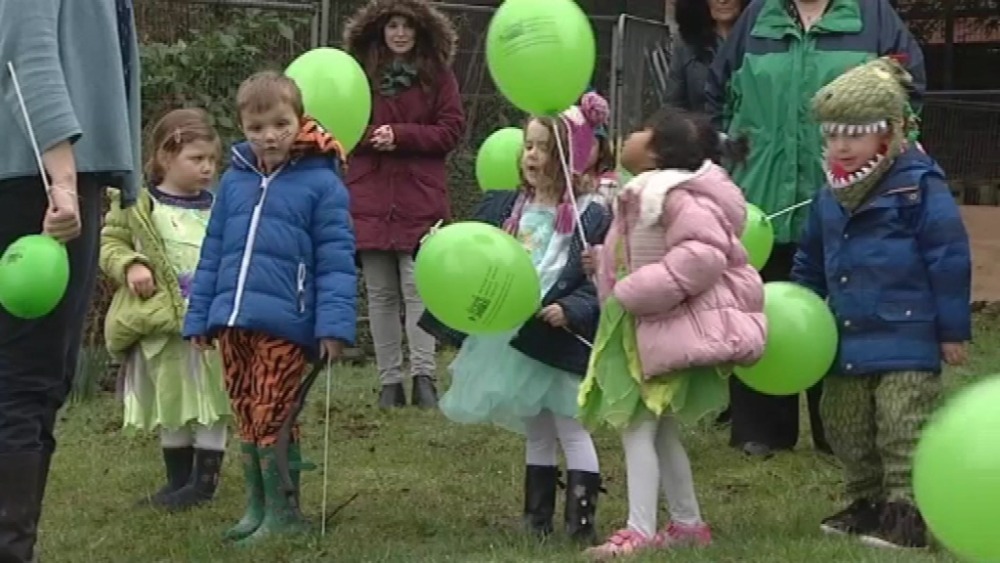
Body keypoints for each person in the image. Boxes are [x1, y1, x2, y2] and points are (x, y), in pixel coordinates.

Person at [705, 0, 926, 458]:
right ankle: (760, 429)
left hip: (847, 202)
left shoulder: (875, 19)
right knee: (759, 309)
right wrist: (735, 162)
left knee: (844, 316)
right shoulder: (756, 20)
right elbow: (717, 98)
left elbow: (908, 100)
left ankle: (839, 430)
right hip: (761, 200)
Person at [792, 56, 970, 550]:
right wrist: (803, 310)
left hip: (907, 335)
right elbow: (810, 258)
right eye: (833, 135)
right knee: (845, 424)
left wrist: (952, 331)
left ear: (889, 133)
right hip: (845, 336)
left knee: (901, 424)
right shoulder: (828, 195)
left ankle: (907, 513)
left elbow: (948, 256)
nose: (843, 146)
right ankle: (866, 501)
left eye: (856, 134)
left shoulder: (918, 186)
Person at [420, 94, 613, 545]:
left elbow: (598, 281)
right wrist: (437, 246)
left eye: (544, 148)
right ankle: (536, 518)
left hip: (558, 335)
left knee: (571, 426)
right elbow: (475, 253)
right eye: (528, 145)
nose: (532, 155)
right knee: (537, 427)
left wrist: (571, 309)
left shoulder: (590, 214)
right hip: (518, 335)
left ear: (566, 157)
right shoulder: (507, 207)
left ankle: (581, 522)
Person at [578, 107, 766, 559]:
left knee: (637, 427)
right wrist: (603, 263)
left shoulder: (675, 196)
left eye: (642, 129)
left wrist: (635, 291)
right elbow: (638, 254)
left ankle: (639, 531)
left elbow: (701, 257)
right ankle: (687, 524)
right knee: (659, 431)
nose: (630, 134)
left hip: (658, 326)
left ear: (658, 151)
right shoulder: (647, 190)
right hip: (643, 326)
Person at [182, 71, 357, 543]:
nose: (269, 136)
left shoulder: (322, 185)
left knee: (273, 413)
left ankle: (284, 513)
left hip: (286, 322)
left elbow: (337, 261)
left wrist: (333, 326)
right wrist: (200, 317)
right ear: (242, 128)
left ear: (299, 120)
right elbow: (213, 252)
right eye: (256, 127)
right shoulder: (234, 182)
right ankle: (257, 506)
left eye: (280, 123)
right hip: (232, 321)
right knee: (245, 410)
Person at [0, 1, 141, 560]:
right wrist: (61, 180)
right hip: (34, 178)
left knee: (36, 379)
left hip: (46, 172)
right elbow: (25, 50)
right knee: (25, 381)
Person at [101, 108, 231, 511]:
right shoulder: (139, 206)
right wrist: (131, 265)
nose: (207, 168)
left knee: (211, 398)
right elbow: (110, 243)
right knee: (170, 396)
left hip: (209, 324)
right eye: (197, 158)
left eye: (212, 159)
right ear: (164, 156)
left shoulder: (221, 206)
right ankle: (177, 481)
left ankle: (203, 485)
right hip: (160, 322)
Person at [343, 0, 466, 409]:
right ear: (379, 30)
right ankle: (389, 382)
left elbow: (451, 129)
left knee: (418, 287)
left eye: (407, 26)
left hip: (419, 195)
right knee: (380, 293)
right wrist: (372, 137)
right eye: (392, 25)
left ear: (420, 31)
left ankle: (423, 376)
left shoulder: (438, 76)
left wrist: (401, 135)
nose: (399, 33)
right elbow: (340, 124)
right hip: (371, 194)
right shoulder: (360, 74)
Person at [665, 0, 747, 112]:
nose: (722, 1)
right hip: (702, 122)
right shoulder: (687, 44)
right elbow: (672, 106)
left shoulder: (761, 43)